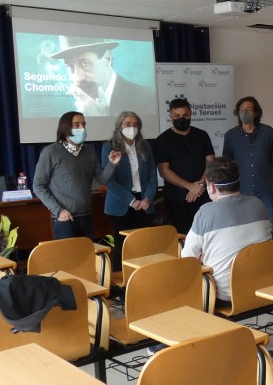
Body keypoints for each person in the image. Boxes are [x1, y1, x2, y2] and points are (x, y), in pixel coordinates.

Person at [181, 157, 272, 305]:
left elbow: (187, 259)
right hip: (264, 286)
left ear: (212, 187)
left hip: (225, 294)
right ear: (239, 180)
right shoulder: (258, 204)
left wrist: (204, 257)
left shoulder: (206, 212)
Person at [34, 111, 118, 240]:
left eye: (83, 124)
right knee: (68, 259)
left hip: (87, 215)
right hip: (64, 218)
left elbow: (102, 179)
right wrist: (59, 211)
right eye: (77, 125)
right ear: (65, 127)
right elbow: (38, 186)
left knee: (87, 257)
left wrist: (112, 164)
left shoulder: (89, 152)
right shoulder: (51, 152)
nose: (82, 128)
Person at [100, 111, 158, 265]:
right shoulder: (109, 147)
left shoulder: (145, 145)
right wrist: (131, 201)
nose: (132, 127)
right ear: (119, 126)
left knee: (144, 247)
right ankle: (123, 285)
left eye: (135, 124)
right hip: (121, 204)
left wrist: (148, 197)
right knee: (122, 248)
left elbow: (152, 174)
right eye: (128, 124)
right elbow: (109, 181)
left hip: (144, 202)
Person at [222, 95, 273, 238]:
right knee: (245, 224)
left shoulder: (268, 132)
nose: (244, 111)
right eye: (241, 109)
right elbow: (227, 161)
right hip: (242, 189)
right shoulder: (230, 136)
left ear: (256, 112)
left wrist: (265, 172)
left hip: (264, 187)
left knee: (271, 221)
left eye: (248, 108)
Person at [49, 36, 153, 117]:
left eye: (84, 63)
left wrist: (101, 117)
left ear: (107, 59)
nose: (77, 77)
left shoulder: (146, 98)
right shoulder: (71, 108)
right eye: (70, 66)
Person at [156, 97, 216, 235]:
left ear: (191, 115)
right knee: (183, 237)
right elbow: (164, 170)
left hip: (203, 195)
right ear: (171, 116)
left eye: (185, 115)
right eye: (177, 116)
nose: (181, 119)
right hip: (177, 199)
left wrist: (200, 185)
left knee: (207, 234)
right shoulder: (162, 140)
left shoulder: (202, 135)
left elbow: (212, 162)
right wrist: (190, 186)